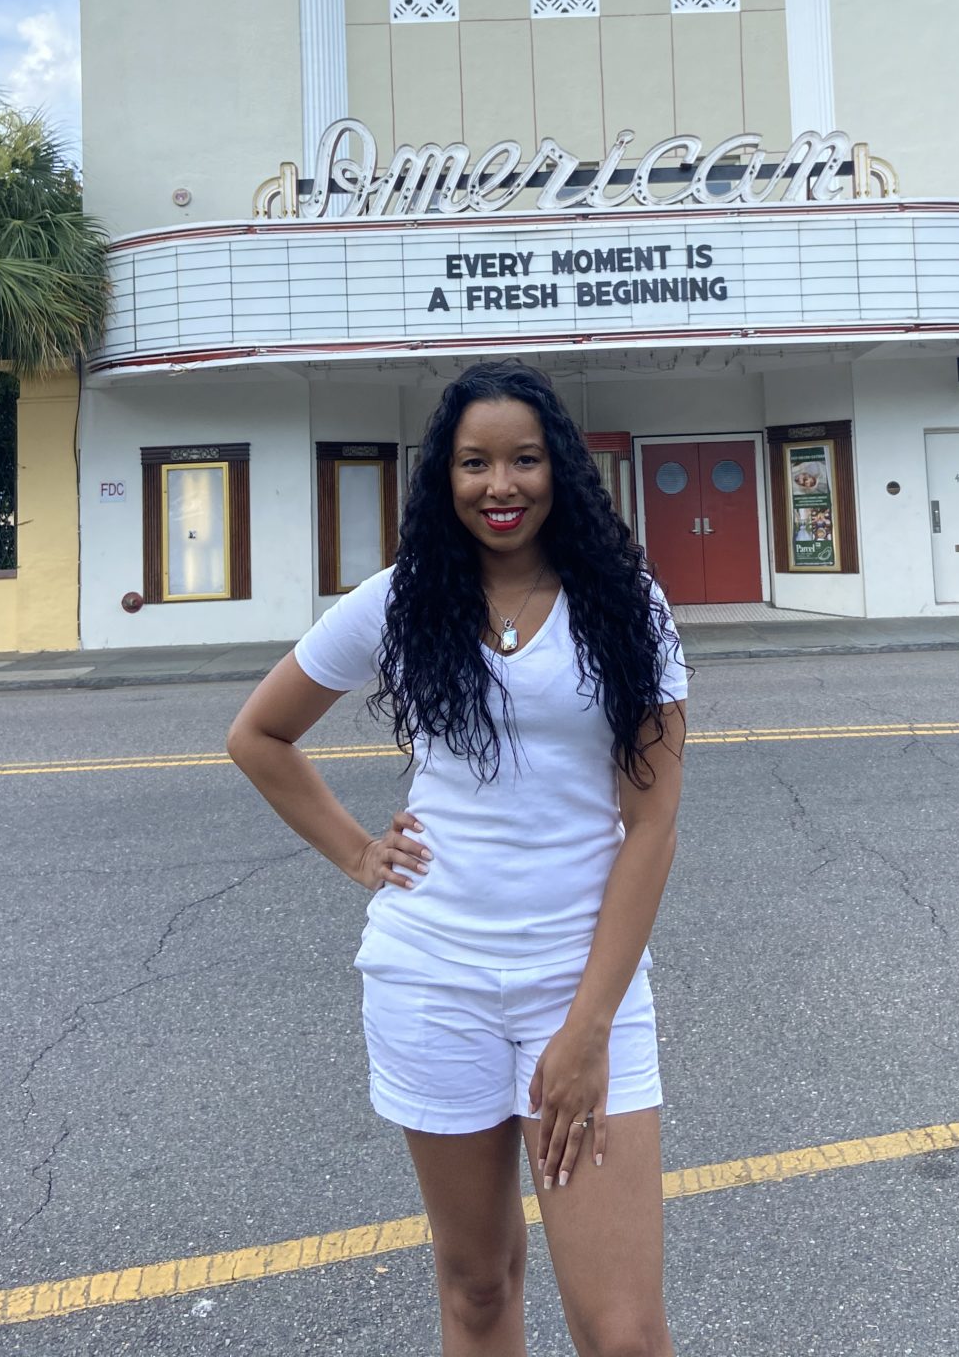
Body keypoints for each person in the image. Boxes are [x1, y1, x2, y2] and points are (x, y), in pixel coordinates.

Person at [227, 360, 688, 1356]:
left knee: (624, 1331)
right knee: (478, 1289)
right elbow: (259, 735)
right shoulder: (401, 603)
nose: (500, 485)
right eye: (474, 464)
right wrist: (358, 853)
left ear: (558, 468)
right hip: (433, 983)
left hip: (584, 983)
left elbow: (650, 827)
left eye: (524, 459)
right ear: (445, 479)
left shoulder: (626, 604)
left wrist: (587, 1028)